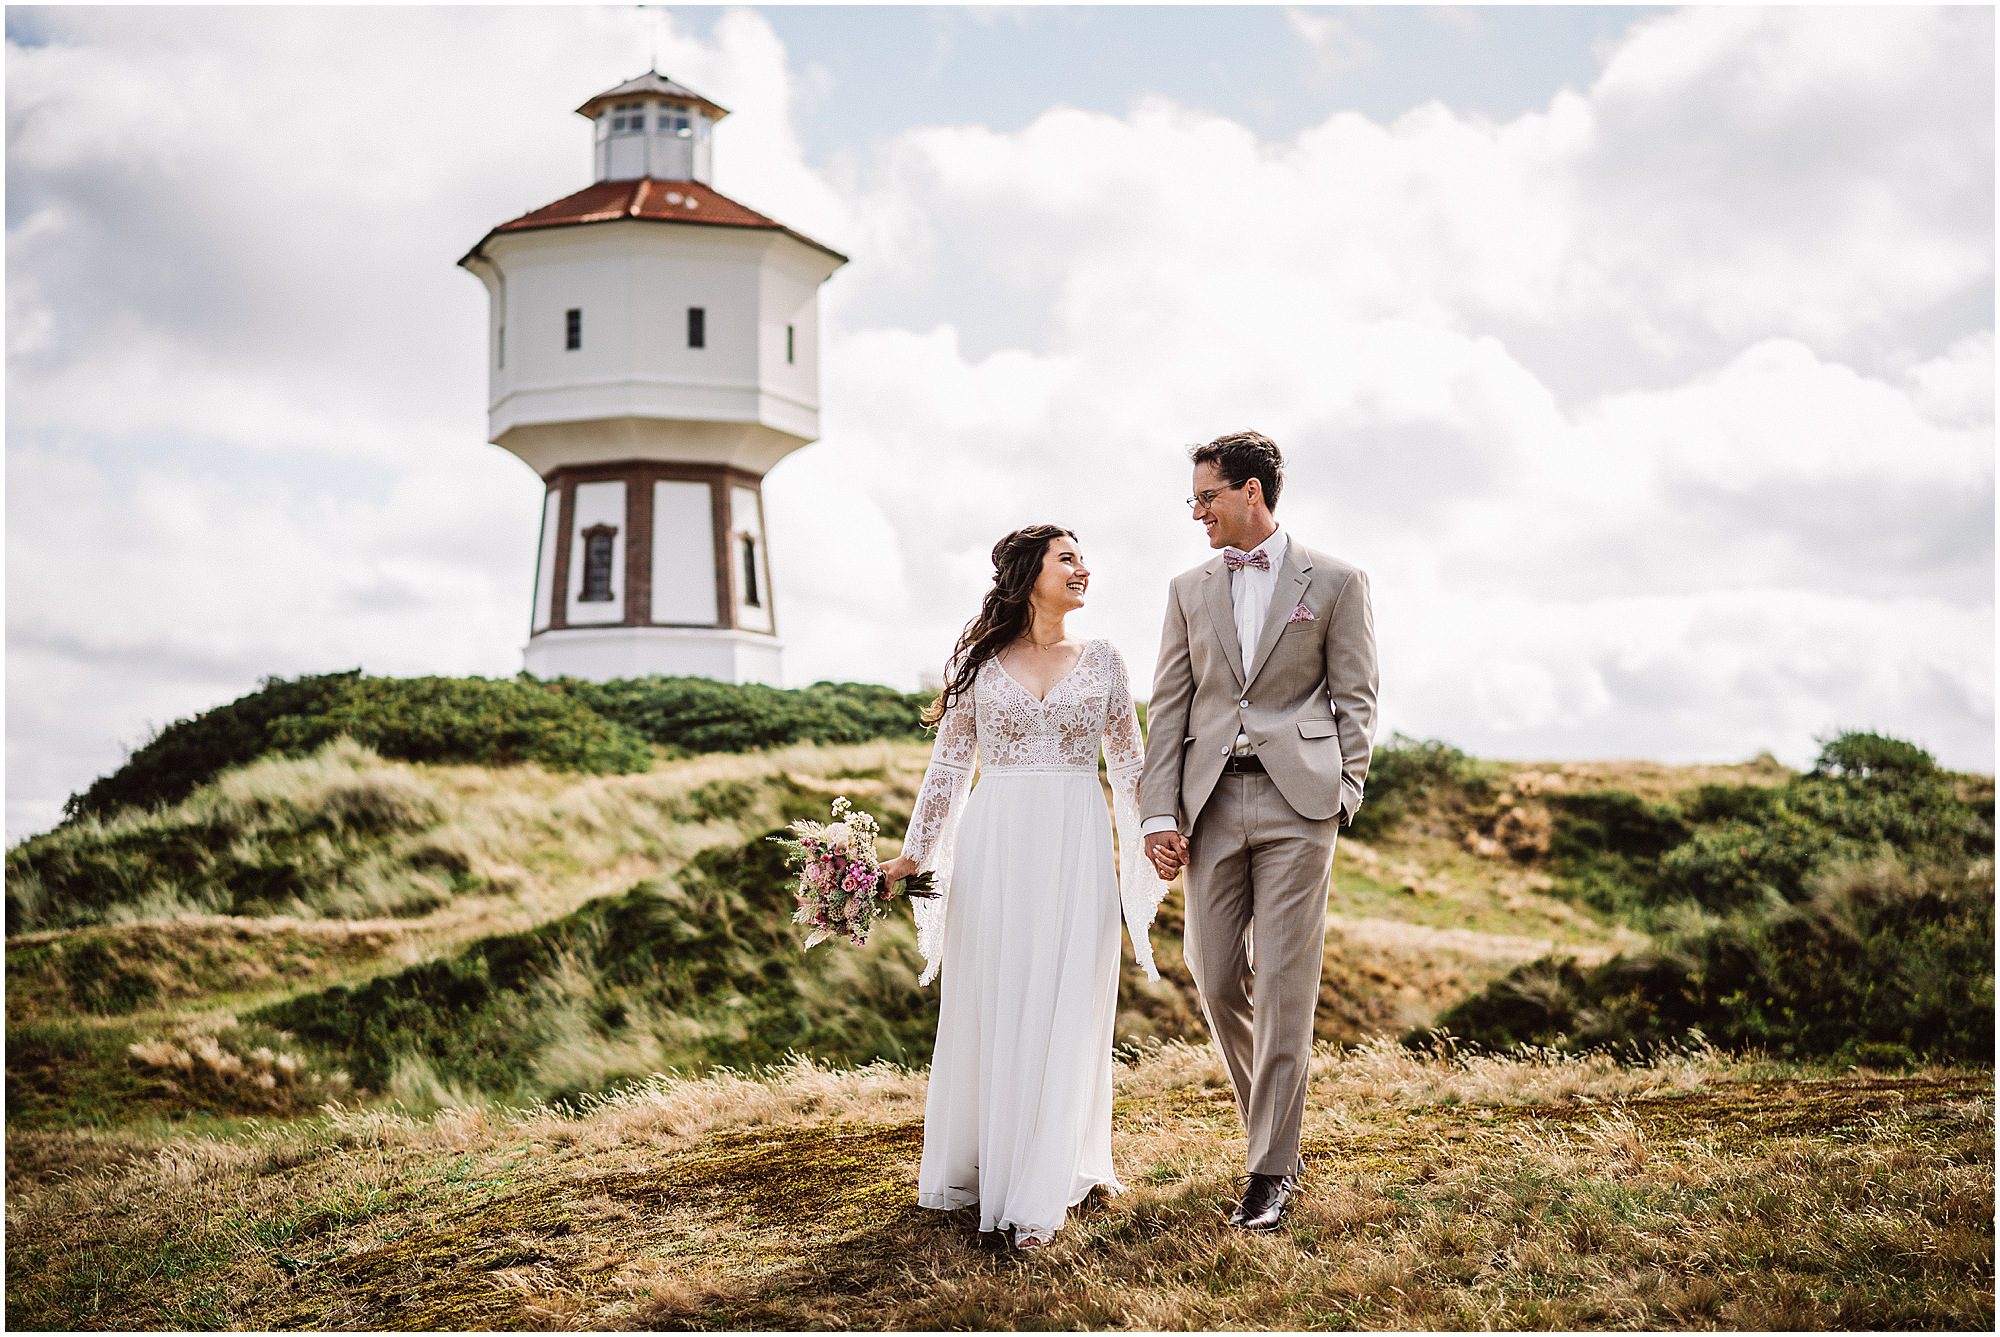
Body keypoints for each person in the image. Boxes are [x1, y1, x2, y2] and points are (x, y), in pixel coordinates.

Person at [880, 524, 1167, 1251]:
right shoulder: (983, 663)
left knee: (1067, 996)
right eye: (1067, 558)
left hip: (1075, 841)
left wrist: (1156, 834)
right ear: (1028, 572)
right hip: (996, 843)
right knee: (997, 996)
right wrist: (913, 856)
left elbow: (1129, 764)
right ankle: (989, 1162)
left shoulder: (1104, 659)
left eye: (1082, 558)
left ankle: (1045, 1179)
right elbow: (948, 769)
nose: (1083, 568)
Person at [1138, 430, 1379, 1232]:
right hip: (1208, 804)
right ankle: (1277, 1131)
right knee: (1211, 972)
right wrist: (1160, 813)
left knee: (1283, 982)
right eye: (1194, 498)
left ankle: (1270, 1170)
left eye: (1206, 496)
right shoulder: (1187, 588)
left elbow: (1357, 698)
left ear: (1251, 491)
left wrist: (1343, 791)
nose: (1196, 511)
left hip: (1298, 805)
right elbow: (1170, 707)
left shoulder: (1338, 581)